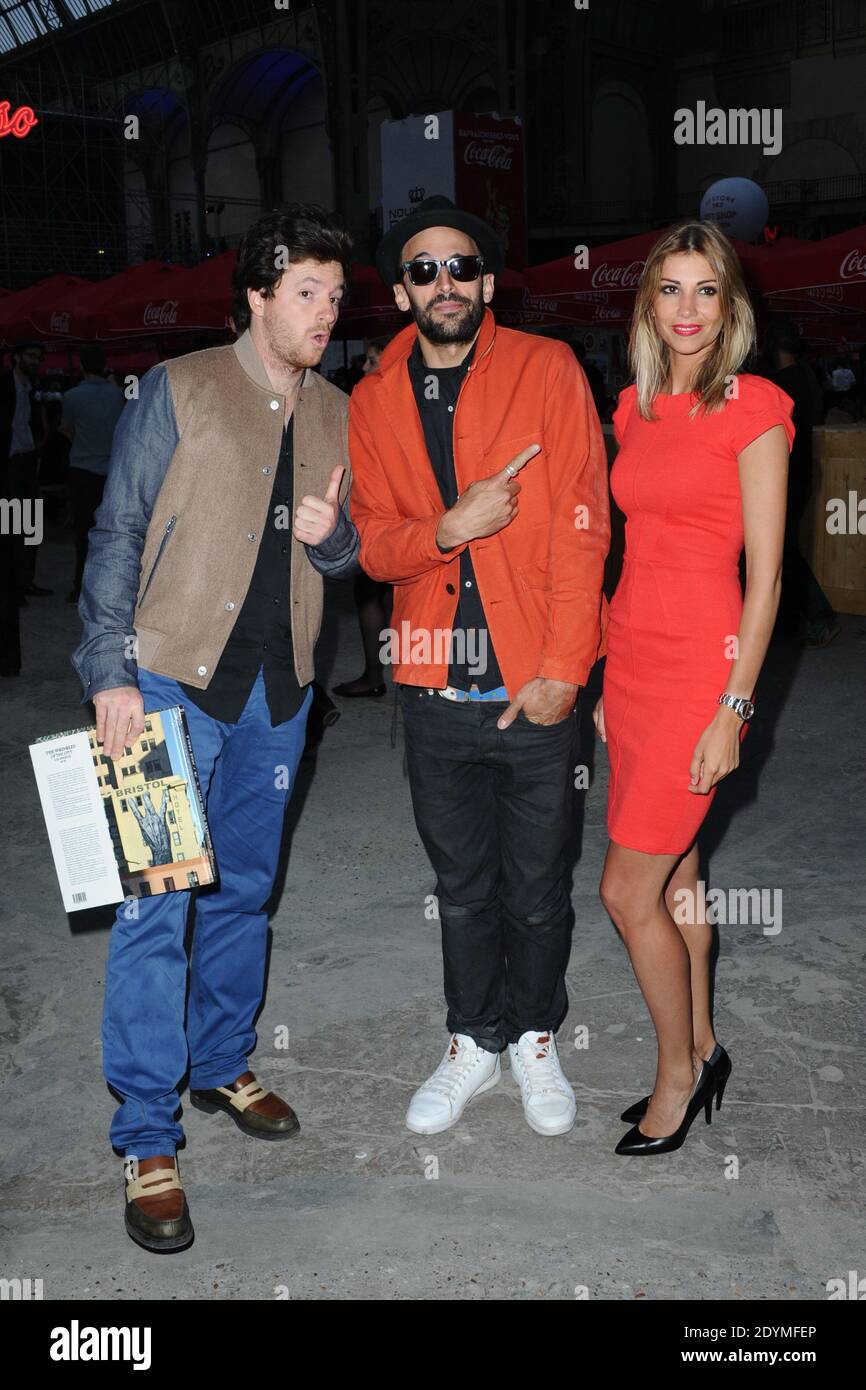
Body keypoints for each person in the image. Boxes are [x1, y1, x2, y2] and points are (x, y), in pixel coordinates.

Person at [71, 204, 360, 1253]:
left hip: (278, 701)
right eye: (306, 294)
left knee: (245, 891)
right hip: (161, 689)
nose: (326, 312)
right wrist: (107, 674)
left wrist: (336, 544)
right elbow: (113, 536)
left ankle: (220, 1060)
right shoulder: (179, 389)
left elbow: (346, 556)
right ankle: (146, 1135)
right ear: (256, 295)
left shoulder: (337, 408)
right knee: (155, 909)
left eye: (334, 296)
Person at [349, 195, 610, 1138]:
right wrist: (446, 530)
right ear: (402, 291)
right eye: (423, 269)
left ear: (488, 283)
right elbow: (374, 548)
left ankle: (535, 1036)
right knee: (460, 891)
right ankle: (473, 1040)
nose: (444, 283)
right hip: (431, 689)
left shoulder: (547, 369)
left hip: (535, 687)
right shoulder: (376, 396)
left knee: (537, 890)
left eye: (461, 266)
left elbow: (586, 528)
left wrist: (564, 670)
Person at [593, 219, 794, 1156]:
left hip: (700, 675)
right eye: (669, 290)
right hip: (632, 663)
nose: (687, 310)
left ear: (731, 305)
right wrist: (603, 669)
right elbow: (633, 549)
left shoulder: (754, 408)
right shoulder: (633, 410)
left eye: (705, 290)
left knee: (624, 892)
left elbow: (769, 582)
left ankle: (677, 1074)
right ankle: (706, 1042)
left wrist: (734, 706)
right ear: (647, 305)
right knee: (677, 878)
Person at [758, 319, 840, 648]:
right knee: (782, 548)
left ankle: (820, 615)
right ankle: (789, 623)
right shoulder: (806, 376)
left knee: (782, 551)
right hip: (801, 472)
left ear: (773, 348)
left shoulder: (781, 384)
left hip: (785, 475)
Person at [332, 335, 394, 699]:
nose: (366, 368)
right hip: (395, 515)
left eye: (373, 360)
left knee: (369, 592)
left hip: (383, 516)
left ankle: (375, 675)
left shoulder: (377, 400)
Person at [59, 345, 126, 603]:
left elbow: (67, 429)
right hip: (110, 470)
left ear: (82, 366)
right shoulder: (116, 395)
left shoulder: (72, 396)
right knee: (110, 532)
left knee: (82, 532)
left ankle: (80, 586)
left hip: (82, 470)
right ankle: (109, 587)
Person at [0, 342, 51, 603]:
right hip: (10, 463)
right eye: (30, 355)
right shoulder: (6, 384)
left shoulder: (33, 388)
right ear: (16, 357)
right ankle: (14, 585)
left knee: (31, 524)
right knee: (11, 525)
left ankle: (25, 581)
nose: (35, 361)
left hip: (27, 460)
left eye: (38, 357)